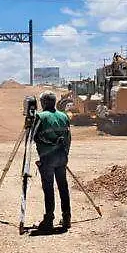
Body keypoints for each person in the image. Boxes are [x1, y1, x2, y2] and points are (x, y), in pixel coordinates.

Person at [33, 91, 72, 231]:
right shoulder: (64, 116)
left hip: (47, 157)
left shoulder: (40, 117)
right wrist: (65, 154)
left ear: (43, 103)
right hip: (62, 157)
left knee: (48, 188)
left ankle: (49, 219)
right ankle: (67, 218)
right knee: (63, 187)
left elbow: (34, 136)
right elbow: (68, 138)